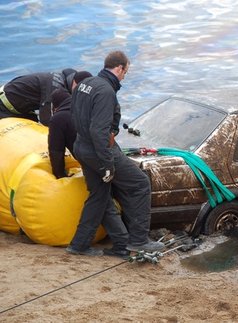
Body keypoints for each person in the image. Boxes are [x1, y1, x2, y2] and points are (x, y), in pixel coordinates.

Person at [66, 50, 164, 256]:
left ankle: (80, 245)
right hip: (98, 151)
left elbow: (74, 116)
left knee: (99, 195)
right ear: (119, 68)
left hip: (81, 147)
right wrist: (108, 163)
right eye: (125, 73)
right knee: (139, 184)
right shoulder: (105, 92)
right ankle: (138, 240)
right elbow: (98, 130)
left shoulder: (85, 84)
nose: (124, 77)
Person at [48, 71, 93, 179]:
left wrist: (60, 175)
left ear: (55, 107)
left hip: (92, 163)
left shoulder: (58, 119)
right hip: (107, 155)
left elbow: (56, 151)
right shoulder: (85, 106)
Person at [0, 68, 77, 125]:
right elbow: (47, 118)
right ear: (73, 81)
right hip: (4, 107)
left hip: (22, 108)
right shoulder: (54, 86)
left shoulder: (59, 81)